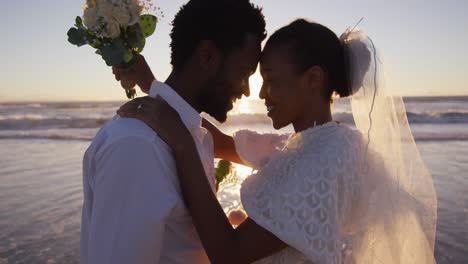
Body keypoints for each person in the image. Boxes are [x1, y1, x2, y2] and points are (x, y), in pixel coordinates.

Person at [118, 19, 437, 263]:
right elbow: (221, 143)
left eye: (271, 79)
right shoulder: (308, 145)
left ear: (313, 79)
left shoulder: (327, 158)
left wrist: (184, 147)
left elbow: (229, 254)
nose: (260, 93)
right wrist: (152, 86)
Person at [80, 0, 268, 263]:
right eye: (244, 73)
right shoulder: (138, 147)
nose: (247, 90)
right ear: (207, 56)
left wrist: (153, 86)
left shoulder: (192, 135)